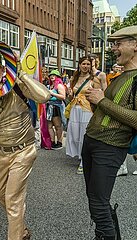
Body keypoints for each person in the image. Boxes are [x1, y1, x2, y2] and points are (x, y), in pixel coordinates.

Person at [0, 50, 50, 239]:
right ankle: (21, 230)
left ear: (3, 68)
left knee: (12, 200)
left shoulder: (17, 86)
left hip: (23, 151)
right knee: (0, 195)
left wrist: (20, 73)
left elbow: (44, 96)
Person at [82, 26, 137, 239]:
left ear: (135, 45)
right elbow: (107, 112)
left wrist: (101, 100)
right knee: (95, 198)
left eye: (118, 43)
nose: (114, 48)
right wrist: (95, 102)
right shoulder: (120, 76)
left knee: (98, 202)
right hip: (92, 141)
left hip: (110, 146)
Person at [65, 56, 102, 174]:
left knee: (84, 134)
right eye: (83, 64)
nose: (85, 66)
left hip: (87, 109)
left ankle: (84, 162)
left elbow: (98, 95)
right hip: (75, 109)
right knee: (75, 134)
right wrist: (70, 94)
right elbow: (71, 95)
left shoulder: (94, 79)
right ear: (79, 65)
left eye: (88, 64)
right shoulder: (74, 78)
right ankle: (81, 156)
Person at [46, 70, 66, 150]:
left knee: (58, 126)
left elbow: (63, 97)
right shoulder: (49, 86)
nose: (52, 76)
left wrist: (52, 93)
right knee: (49, 126)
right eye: (51, 75)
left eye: (54, 75)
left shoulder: (59, 86)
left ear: (57, 77)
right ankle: (52, 142)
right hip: (49, 107)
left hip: (56, 107)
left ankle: (59, 142)